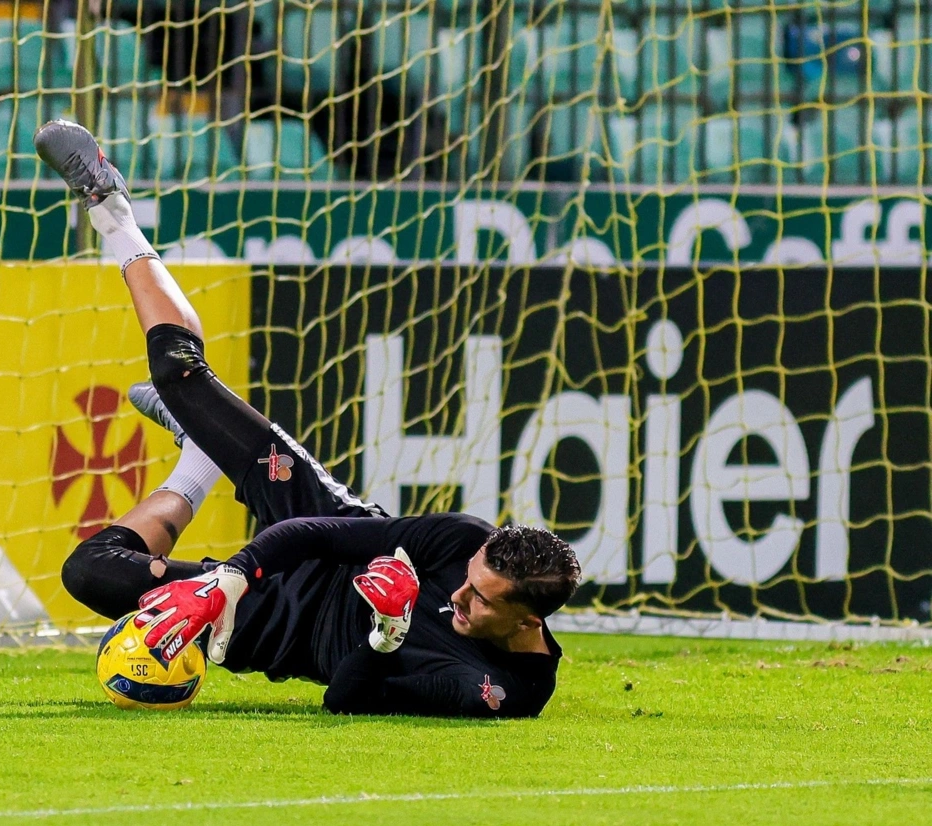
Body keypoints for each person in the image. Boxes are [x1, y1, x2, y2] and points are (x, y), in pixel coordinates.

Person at [36, 120, 582, 718]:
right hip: (314, 529)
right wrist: (228, 579)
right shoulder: (463, 538)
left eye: (480, 599)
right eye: (470, 578)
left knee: (89, 573)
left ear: (527, 619)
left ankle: (197, 462)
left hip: (284, 628)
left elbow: (344, 699)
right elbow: (319, 533)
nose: (459, 594)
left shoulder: (510, 692)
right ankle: (110, 206)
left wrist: (388, 632)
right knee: (177, 370)